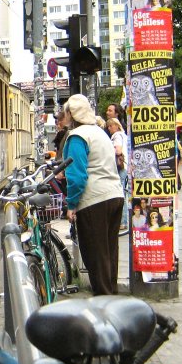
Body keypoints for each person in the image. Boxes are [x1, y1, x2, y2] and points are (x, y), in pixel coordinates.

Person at [62, 94, 124, 295]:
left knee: (95, 255)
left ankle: (104, 300)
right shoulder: (100, 132)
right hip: (115, 195)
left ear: (71, 114)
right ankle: (111, 295)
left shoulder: (77, 137)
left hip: (94, 200)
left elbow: (77, 176)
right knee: (109, 251)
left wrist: (71, 204)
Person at [106, 118, 129, 230]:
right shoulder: (124, 135)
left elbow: (118, 151)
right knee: (123, 192)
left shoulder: (117, 136)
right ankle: (123, 220)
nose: (109, 128)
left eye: (111, 126)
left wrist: (108, 149)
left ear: (116, 125)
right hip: (126, 166)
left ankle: (123, 221)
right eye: (108, 126)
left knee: (120, 194)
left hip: (120, 167)